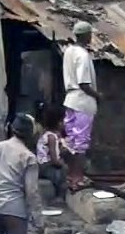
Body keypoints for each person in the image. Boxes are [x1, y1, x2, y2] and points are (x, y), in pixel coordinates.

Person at [62, 21, 99, 192]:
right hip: (82, 101)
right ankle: (78, 179)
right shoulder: (83, 55)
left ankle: (70, 176)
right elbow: (84, 83)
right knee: (81, 143)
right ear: (86, 35)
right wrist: (99, 96)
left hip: (70, 100)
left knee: (71, 141)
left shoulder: (69, 51)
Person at [36, 105, 69, 199]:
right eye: (64, 121)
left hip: (41, 165)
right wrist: (62, 164)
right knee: (63, 170)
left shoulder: (46, 134)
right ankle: (60, 196)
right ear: (59, 123)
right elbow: (54, 160)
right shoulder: (52, 137)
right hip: (46, 167)